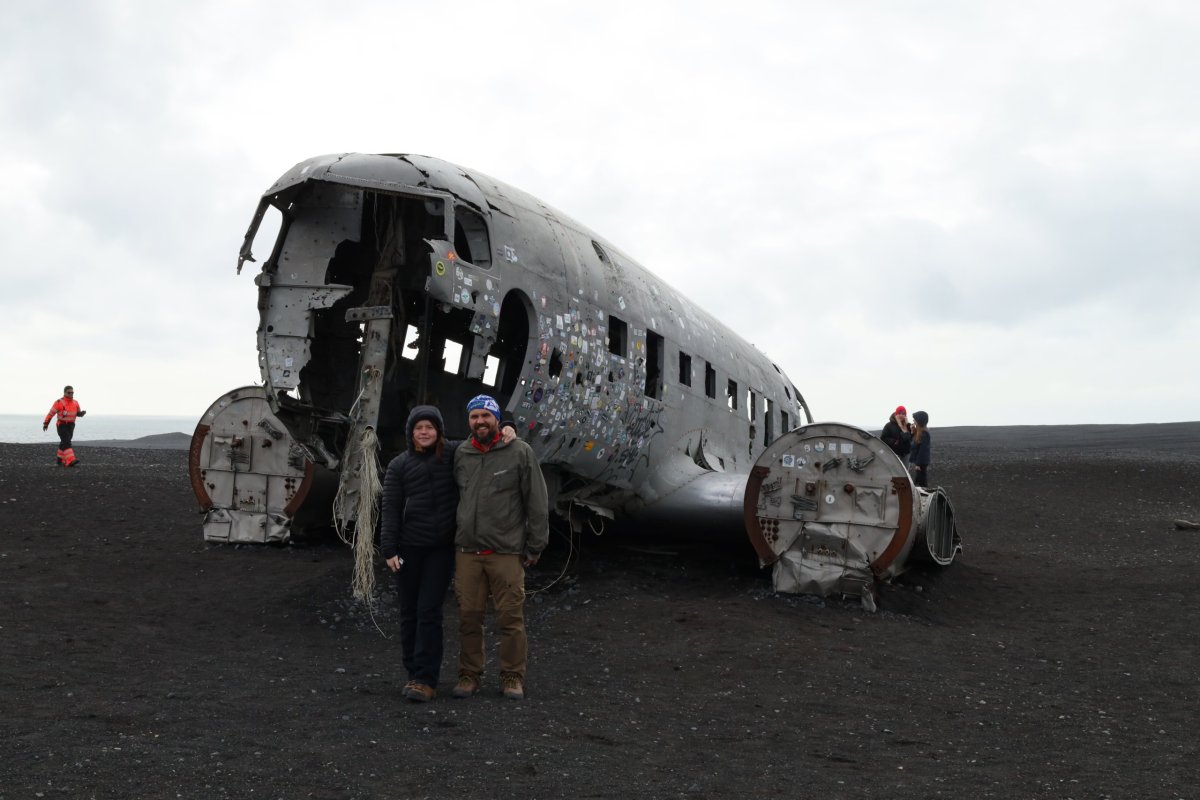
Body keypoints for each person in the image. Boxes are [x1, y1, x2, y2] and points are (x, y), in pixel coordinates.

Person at [379, 405, 515, 703]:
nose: (424, 432)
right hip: (408, 548)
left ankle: (426, 680)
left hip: (440, 550)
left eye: (429, 427)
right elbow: (390, 508)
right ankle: (413, 673)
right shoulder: (399, 465)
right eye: (418, 428)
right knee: (408, 613)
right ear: (410, 432)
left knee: (429, 612)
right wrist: (388, 548)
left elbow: (481, 438)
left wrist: (507, 425)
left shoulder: (453, 453)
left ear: (439, 430)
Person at [451, 394, 549, 701]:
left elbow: (536, 501)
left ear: (497, 419)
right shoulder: (462, 453)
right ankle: (469, 675)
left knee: (510, 618)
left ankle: (512, 676)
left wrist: (535, 545)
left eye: (486, 416)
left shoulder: (519, 451)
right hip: (468, 552)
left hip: (505, 551)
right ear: (469, 421)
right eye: (474, 416)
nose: (480, 421)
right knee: (469, 617)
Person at [43, 385, 87, 467]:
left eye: (72, 392)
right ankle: (70, 460)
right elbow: (51, 414)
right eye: (69, 392)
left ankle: (59, 460)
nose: (71, 394)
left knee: (64, 441)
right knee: (67, 442)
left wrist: (81, 414)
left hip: (71, 425)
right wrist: (46, 423)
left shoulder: (75, 402)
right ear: (64, 393)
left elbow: (77, 413)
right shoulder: (59, 402)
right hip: (61, 425)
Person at [908, 410, 932, 488]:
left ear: (919, 420)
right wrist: (912, 432)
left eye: (915, 419)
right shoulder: (919, 432)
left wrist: (918, 464)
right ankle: (922, 492)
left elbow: (923, 450)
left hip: (921, 463)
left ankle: (924, 493)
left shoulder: (924, 433)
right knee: (920, 480)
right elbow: (914, 443)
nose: (913, 421)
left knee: (921, 481)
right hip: (920, 462)